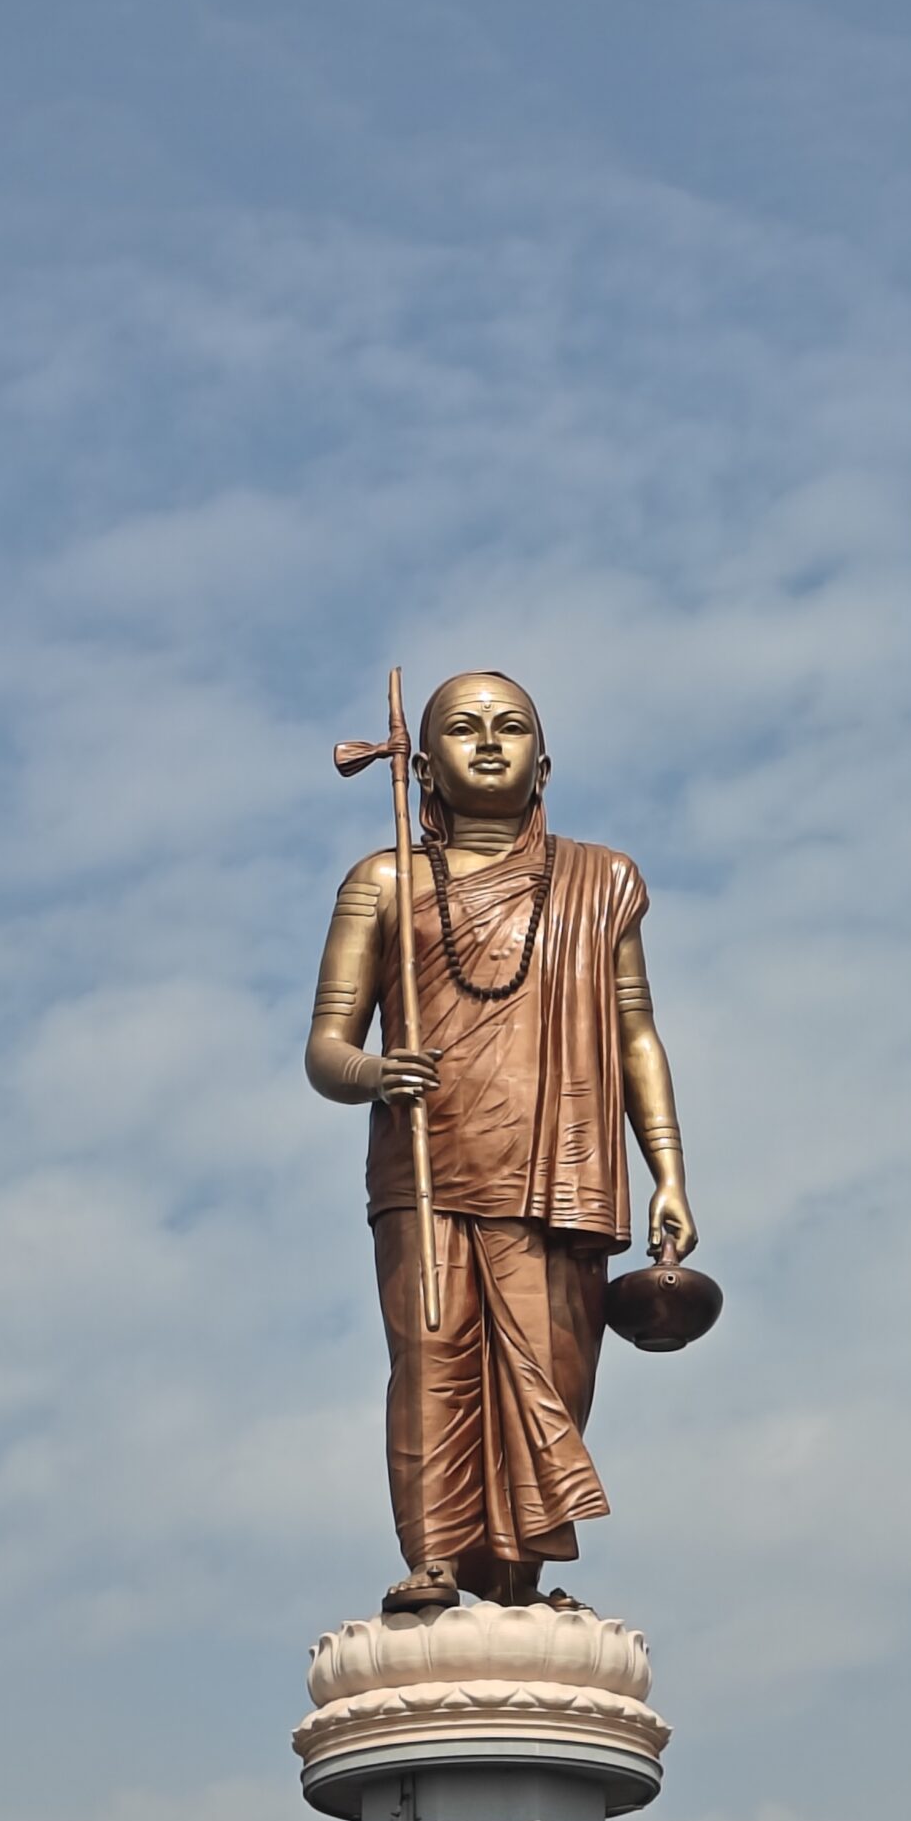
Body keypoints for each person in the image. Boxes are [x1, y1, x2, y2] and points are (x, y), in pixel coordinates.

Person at [306, 671, 696, 1613]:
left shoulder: (602, 882)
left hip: (561, 1165)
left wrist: (670, 1174)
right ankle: (434, 1560)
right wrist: (378, 1072)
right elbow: (326, 1048)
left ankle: (519, 1580)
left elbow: (634, 1029)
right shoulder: (385, 879)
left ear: (543, 760)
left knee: (550, 1376)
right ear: (425, 763)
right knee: (434, 1357)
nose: (490, 743)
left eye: (511, 727)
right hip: (430, 1163)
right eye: (464, 729)